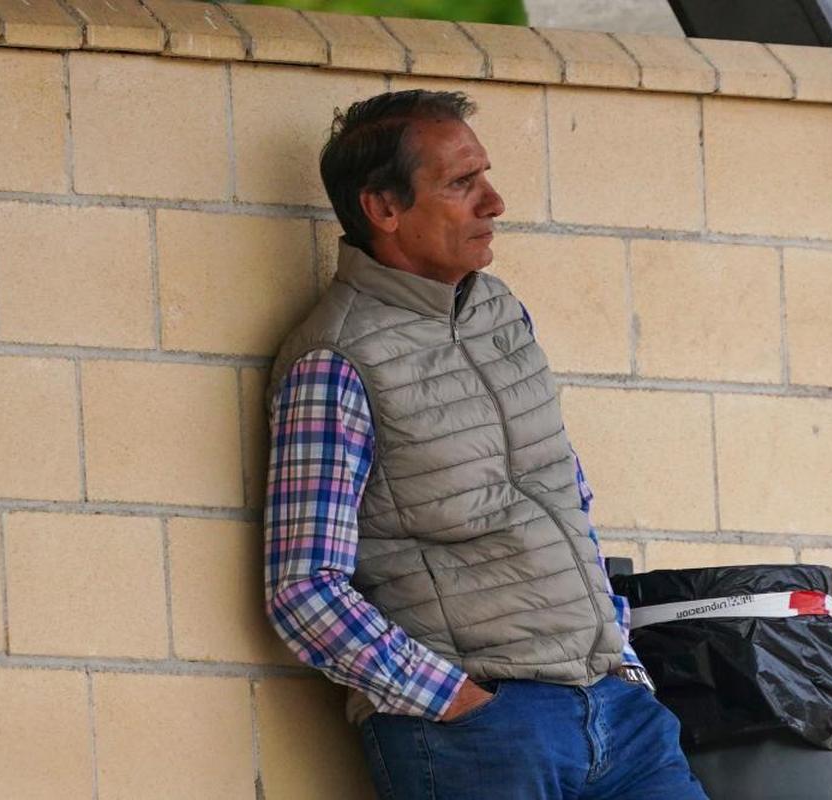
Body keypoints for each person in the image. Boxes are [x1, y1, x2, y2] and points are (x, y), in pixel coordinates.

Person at [264, 90, 707, 800]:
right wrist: (457, 703)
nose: (493, 202)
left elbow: (567, 493)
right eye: (461, 184)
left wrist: (623, 661)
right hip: (485, 735)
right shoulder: (337, 359)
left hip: (617, 715)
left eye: (485, 176)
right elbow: (303, 588)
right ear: (384, 209)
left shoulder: (499, 311)